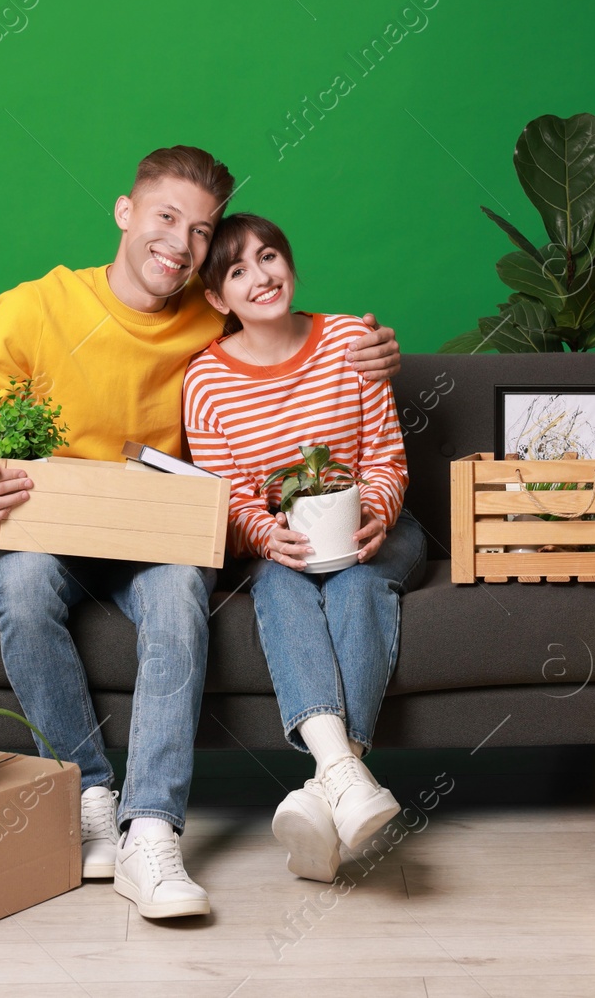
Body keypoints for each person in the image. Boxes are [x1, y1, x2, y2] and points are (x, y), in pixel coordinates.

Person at [0, 147, 402, 918]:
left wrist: (374, 349)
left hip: (153, 536)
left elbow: (296, 334)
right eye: (166, 218)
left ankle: (151, 830)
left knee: (184, 587)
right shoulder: (33, 308)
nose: (179, 244)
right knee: (17, 578)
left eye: (200, 231)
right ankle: (85, 791)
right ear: (125, 212)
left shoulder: (210, 315)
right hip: (51, 526)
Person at [182, 213, 427, 883]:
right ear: (216, 298)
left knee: (356, 583)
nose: (261, 277)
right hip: (280, 545)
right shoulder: (205, 382)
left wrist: (374, 511)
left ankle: (328, 788)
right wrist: (268, 535)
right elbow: (231, 497)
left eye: (268, 257)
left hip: (373, 531)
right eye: (237, 271)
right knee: (279, 584)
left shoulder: (351, 340)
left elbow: (384, 459)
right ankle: (341, 781)